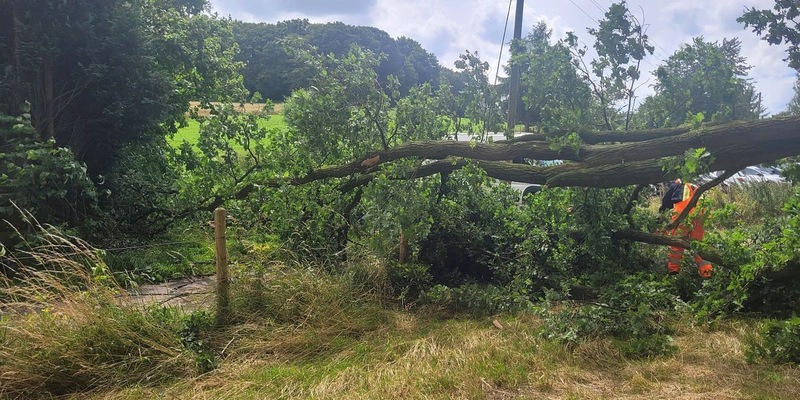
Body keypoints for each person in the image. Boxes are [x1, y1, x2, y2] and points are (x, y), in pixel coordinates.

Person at [659, 179, 713, 279]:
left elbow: (666, 202)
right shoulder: (693, 185)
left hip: (682, 212)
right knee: (698, 243)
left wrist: (661, 213)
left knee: (677, 242)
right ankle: (706, 271)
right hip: (701, 213)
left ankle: (673, 271)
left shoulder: (676, 184)